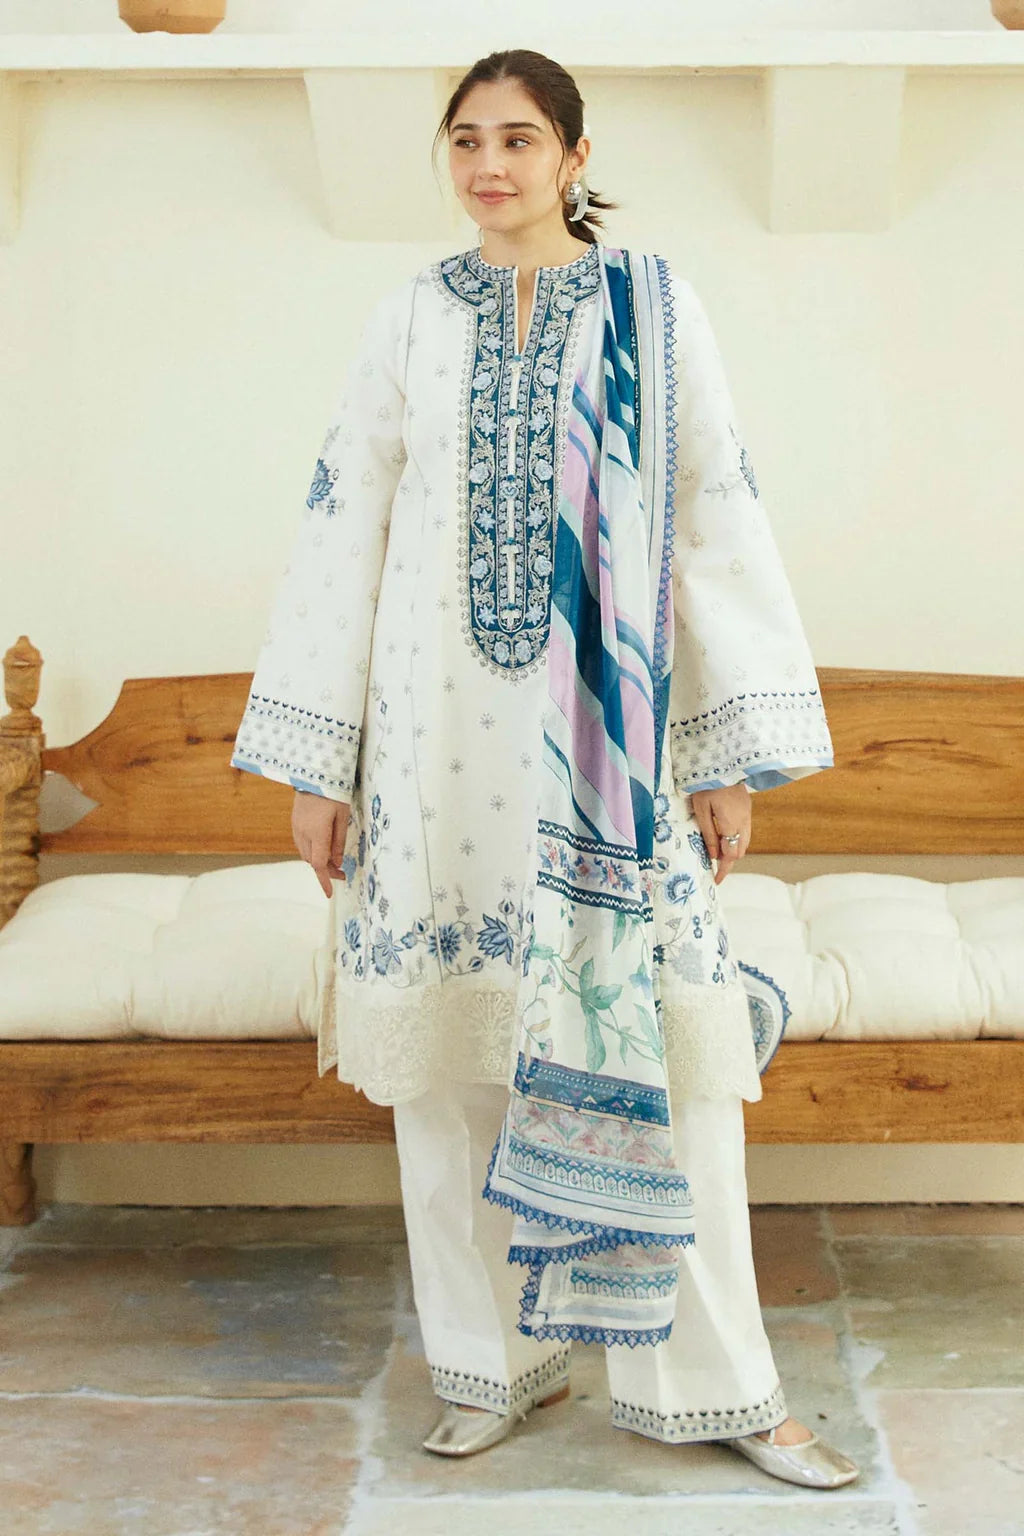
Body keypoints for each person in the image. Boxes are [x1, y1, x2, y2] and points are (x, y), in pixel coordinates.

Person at [230, 48, 858, 1491]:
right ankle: (487, 1367)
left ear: (576, 155)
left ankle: (725, 1388)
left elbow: (711, 511)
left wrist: (723, 754)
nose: (488, 165)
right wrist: (322, 765)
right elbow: (342, 525)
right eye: (465, 140)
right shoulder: (410, 317)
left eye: (518, 139)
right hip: (430, 752)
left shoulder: (653, 305)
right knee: (448, 1071)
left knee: (672, 1064)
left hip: (610, 757)